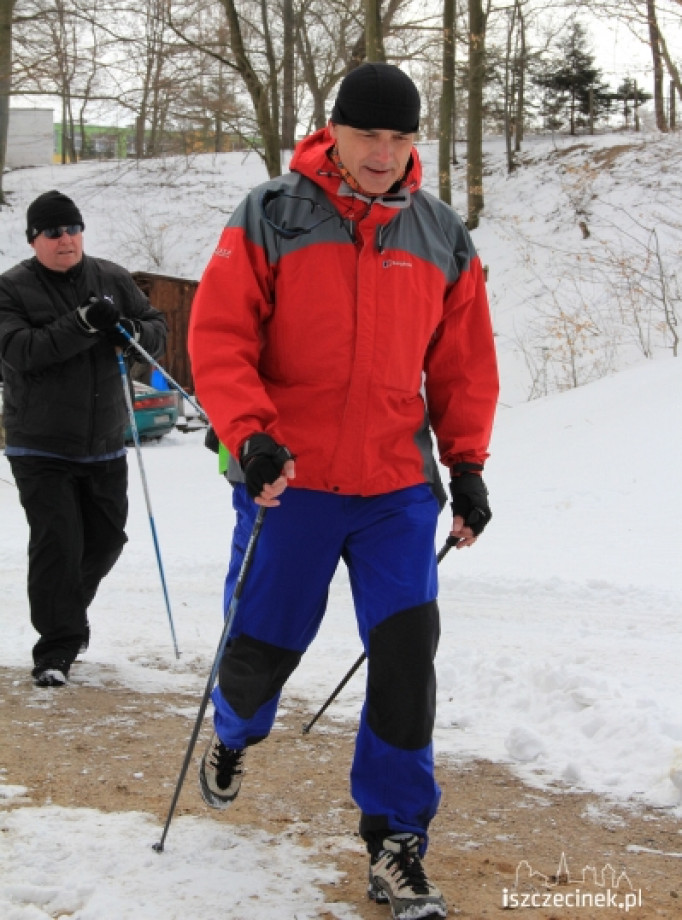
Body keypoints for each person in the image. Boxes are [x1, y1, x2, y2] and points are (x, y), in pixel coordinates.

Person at [188, 63, 499, 920]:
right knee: (263, 647)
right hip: (290, 480)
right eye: (370, 135)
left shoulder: (440, 234)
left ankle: (398, 841)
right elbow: (218, 333)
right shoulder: (273, 212)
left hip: (397, 488)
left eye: (402, 139)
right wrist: (249, 434)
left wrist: (466, 464)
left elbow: (463, 361)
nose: (385, 154)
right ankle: (236, 728)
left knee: (407, 659)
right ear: (335, 131)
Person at [0, 190, 167, 688]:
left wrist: (129, 330)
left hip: (104, 440)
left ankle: (66, 613)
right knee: (58, 541)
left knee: (106, 538)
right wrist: (81, 324)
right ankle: (56, 648)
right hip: (40, 442)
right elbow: (20, 350)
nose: (66, 239)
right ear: (35, 240)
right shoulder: (10, 290)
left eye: (73, 229)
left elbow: (156, 330)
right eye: (53, 232)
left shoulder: (111, 277)